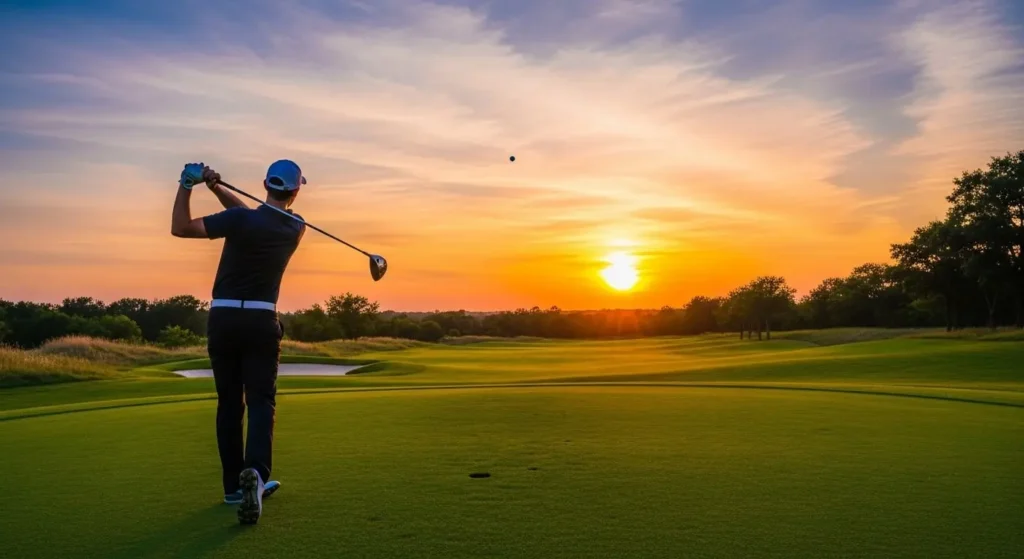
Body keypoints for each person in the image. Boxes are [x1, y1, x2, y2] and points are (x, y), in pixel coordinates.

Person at [171, 160, 307, 525]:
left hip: (224, 319)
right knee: (261, 401)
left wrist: (188, 183)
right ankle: (257, 477)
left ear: (264, 184)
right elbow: (252, 216)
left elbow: (181, 227)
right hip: (261, 321)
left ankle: (234, 487)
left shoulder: (240, 221)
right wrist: (216, 187)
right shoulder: (295, 226)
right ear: (295, 192)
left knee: (230, 403)